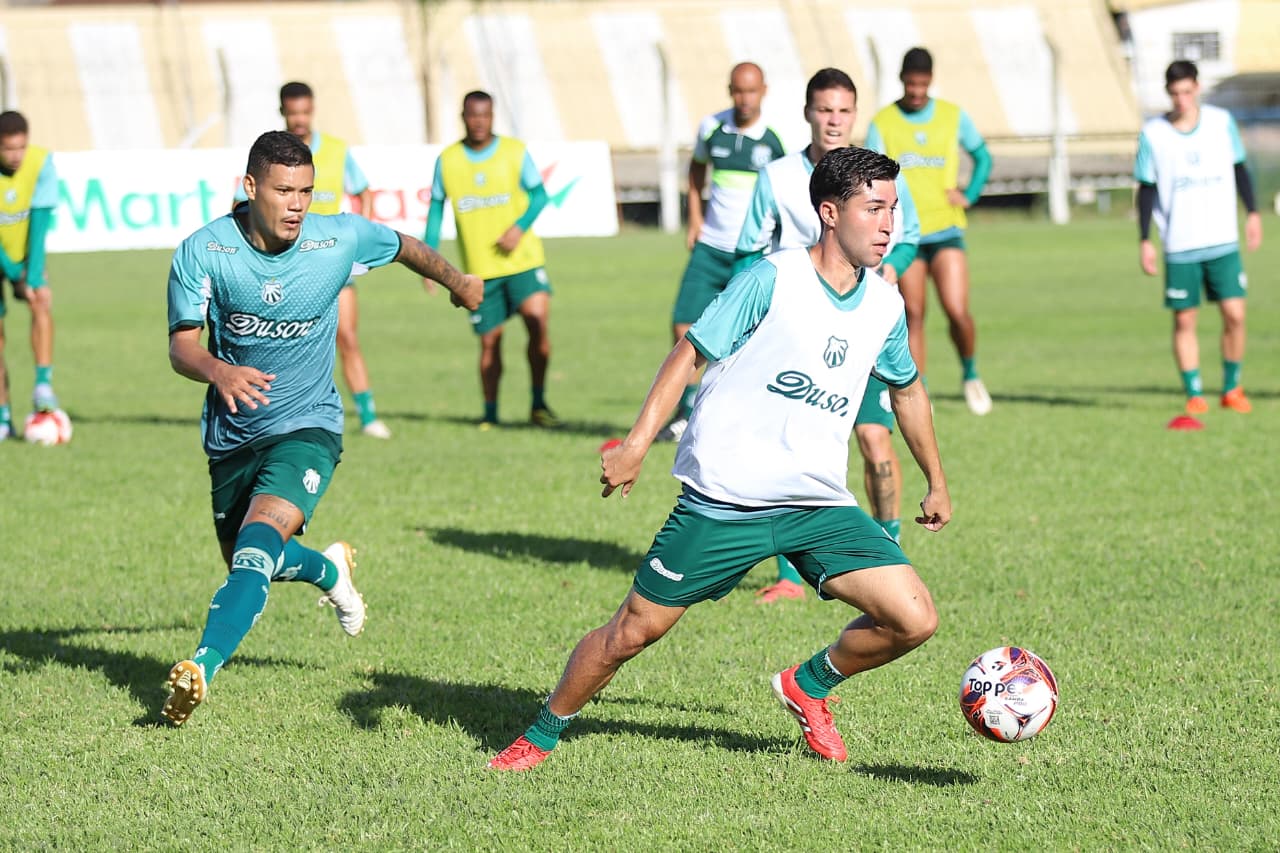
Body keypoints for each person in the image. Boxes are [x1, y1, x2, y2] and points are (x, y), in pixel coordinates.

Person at [488, 147, 951, 772]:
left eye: (893, 208)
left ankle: (807, 685)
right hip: (727, 499)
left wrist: (936, 481)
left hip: (815, 501)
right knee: (633, 631)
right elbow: (690, 353)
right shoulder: (771, 279)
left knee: (914, 617)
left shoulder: (883, 305)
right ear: (830, 212)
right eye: (874, 208)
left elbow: (909, 389)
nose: (889, 223)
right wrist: (633, 445)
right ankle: (542, 732)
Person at [162, 131, 482, 726]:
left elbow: (406, 246)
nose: (297, 204)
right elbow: (182, 346)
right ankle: (330, 569)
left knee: (258, 542)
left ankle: (200, 666)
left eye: (306, 191)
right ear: (251, 187)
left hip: (309, 426)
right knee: (251, 562)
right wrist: (218, 370)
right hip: (232, 435)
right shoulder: (204, 251)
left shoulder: (337, 237)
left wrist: (458, 282)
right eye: (284, 191)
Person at [736, 68, 921, 603]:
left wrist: (888, 270)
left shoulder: (876, 177)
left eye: (843, 110)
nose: (834, 120)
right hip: (793, 337)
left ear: (854, 114)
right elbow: (748, 250)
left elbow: (906, 240)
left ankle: (890, 552)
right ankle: (790, 577)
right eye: (824, 110)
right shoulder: (775, 177)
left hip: (857, 327)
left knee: (873, 439)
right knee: (787, 447)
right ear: (808, 113)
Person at [235, 82, 391, 438]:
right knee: (280, 344)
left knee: (348, 338)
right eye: (294, 113)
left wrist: (356, 243)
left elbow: (363, 193)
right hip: (284, 270)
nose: (300, 119)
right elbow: (239, 205)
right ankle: (274, 414)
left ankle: (368, 417)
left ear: (313, 109)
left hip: (331, 265)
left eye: (306, 111)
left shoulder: (336, 150)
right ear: (283, 112)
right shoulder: (268, 156)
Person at [657, 62, 787, 442]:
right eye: (737, 91)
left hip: (751, 253)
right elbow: (696, 172)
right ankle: (686, 412)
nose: (743, 99)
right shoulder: (711, 128)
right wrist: (695, 218)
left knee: (747, 339)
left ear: (764, 90)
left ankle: (740, 417)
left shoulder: (776, 139)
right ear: (729, 90)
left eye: (751, 91)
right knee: (683, 326)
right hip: (710, 248)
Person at [867, 47, 993, 415]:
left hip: (945, 228)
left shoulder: (952, 117)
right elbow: (873, 172)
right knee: (914, 314)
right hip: (906, 234)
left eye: (923, 84)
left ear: (930, 80)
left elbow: (984, 156)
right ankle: (918, 389)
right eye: (911, 83)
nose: (917, 91)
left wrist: (969, 193)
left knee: (956, 309)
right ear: (902, 80)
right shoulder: (884, 122)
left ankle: (970, 373)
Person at [425, 91, 558, 429]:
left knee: (537, 322)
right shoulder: (449, 160)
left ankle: (539, 403)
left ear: (493, 116)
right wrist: (428, 263)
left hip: (523, 262)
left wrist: (519, 228)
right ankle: (490, 413)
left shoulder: (514, 152)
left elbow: (540, 196)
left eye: (485, 115)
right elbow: (436, 211)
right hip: (480, 271)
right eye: (473, 115)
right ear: (463, 116)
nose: (479, 121)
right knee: (490, 342)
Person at [1135, 60, 1262, 415]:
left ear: (1198, 88)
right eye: (1175, 93)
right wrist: (1144, 239)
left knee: (1235, 314)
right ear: (1168, 93)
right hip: (1180, 242)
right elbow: (1145, 188)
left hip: (1222, 237)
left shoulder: (1221, 123)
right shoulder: (1153, 134)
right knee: (1184, 319)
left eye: (1187, 92)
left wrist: (1252, 212)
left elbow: (1240, 169)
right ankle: (1193, 391)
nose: (1182, 100)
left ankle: (1232, 387)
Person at [0, 110, 59, 439]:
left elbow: (39, 223)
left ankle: (42, 385)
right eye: (8, 149)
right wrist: (12, 272)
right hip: (3, 257)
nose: (15, 156)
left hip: (24, 254)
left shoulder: (41, 163)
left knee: (41, 301)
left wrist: (32, 277)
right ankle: (2, 416)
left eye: (20, 147)